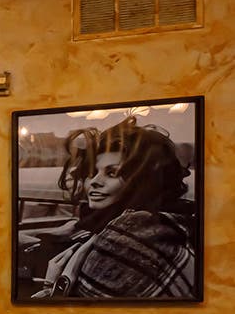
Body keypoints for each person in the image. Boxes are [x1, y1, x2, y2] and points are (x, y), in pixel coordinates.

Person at [19, 116, 194, 299]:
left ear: (143, 181)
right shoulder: (165, 227)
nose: (95, 182)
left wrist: (52, 286)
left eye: (112, 173)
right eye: (93, 172)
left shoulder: (130, 237)